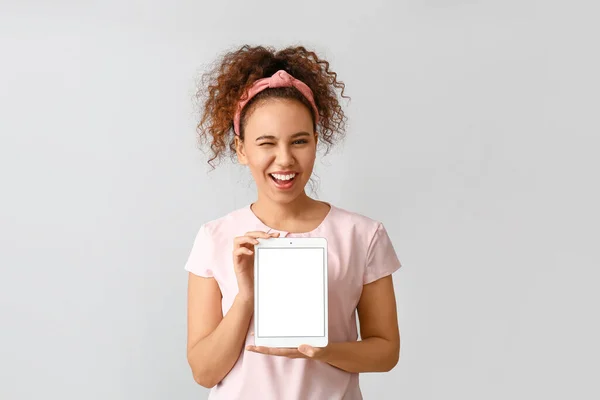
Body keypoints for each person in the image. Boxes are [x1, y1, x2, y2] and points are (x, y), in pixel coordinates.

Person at [185, 44, 403, 400]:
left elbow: (386, 351)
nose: (284, 159)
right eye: (266, 143)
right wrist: (246, 298)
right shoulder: (215, 238)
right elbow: (204, 371)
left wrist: (322, 350)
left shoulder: (362, 235)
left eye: (299, 141)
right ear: (241, 149)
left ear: (316, 142)